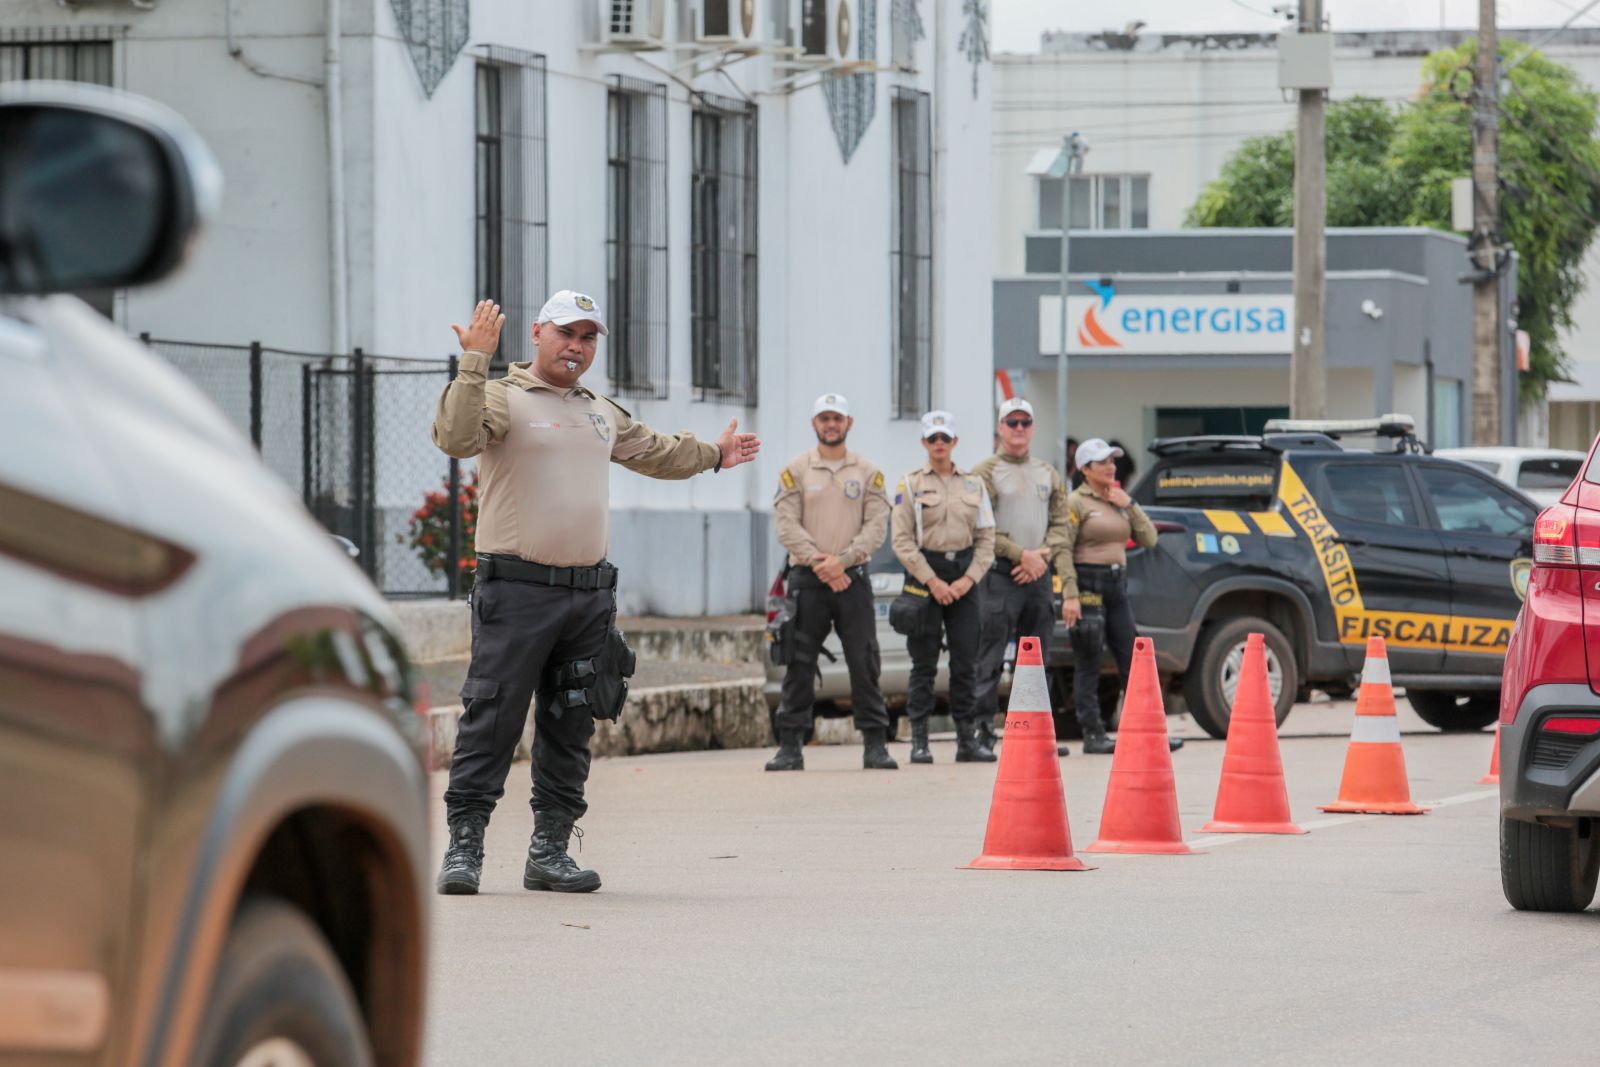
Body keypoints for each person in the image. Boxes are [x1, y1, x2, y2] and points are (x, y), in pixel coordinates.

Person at [431, 292, 760, 895]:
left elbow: (654, 451)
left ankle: (549, 851)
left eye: (588, 337)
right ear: (537, 333)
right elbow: (454, 438)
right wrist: (474, 361)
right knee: (493, 718)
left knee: (572, 721)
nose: (576, 346)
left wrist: (715, 454)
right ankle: (465, 848)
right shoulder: (503, 398)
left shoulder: (598, 411)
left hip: (587, 597)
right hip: (517, 593)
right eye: (566, 333)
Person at [766, 393, 898, 772]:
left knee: (864, 661)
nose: (831, 424)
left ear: (849, 423)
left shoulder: (868, 472)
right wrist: (820, 561)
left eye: (837, 418)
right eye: (824, 418)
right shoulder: (796, 470)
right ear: (814, 423)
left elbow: (876, 526)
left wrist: (842, 561)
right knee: (798, 663)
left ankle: (875, 745)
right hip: (809, 579)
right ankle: (790, 746)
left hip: (852, 579)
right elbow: (786, 523)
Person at [891, 411, 998, 763]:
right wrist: (933, 582)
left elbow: (986, 537)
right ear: (924, 443)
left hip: (964, 574)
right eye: (933, 439)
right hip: (926, 575)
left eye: (945, 439)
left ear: (955, 443)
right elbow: (902, 541)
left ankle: (966, 738)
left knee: (966, 662)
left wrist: (968, 580)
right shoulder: (909, 484)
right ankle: (919, 738)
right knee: (923, 662)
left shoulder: (973, 485)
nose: (939, 444)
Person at [1061, 438, 1180, 754]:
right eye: (1103, 462)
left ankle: (1149, 732)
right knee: (1089, 660)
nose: (1111, 467)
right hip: (1088, 585)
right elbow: (1062, 549)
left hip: (1117, 585)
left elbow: (1150, 538)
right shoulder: (1076, 502)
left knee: (1136, 658)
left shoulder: (1118, 500)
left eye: (1113, 461)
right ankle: (1093, 733)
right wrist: (1070, 594)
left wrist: (1129, 504)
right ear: (1086, 469)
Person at [972, 398, 1074, 757]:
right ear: (1000, 428)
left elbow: (1061, 524)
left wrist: (1040, 556)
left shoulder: (1048, 472)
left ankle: (1035, 732)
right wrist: (1021, 555)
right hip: (1001, 575)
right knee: (990, 657)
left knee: (1036, 658)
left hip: (1039, 574)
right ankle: (982, 732)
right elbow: (981, 527)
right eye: (1011, 422)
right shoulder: (984, 473)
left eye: (1025, 422)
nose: (1018, 429)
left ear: (1033, 427)